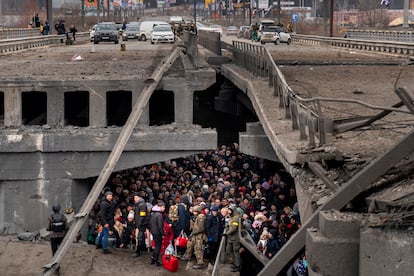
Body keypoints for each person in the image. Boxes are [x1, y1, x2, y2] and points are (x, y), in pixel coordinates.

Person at [184, 205, 206, 269]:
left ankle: (200, 263)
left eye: (195, 212)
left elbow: (201, 228)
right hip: (195, 235)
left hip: (199, 235)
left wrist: (193, 233)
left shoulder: (201, 217)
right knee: (190, 244)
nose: (194, 213)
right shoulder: (196, 217)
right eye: (193, 212)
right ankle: (187, 257)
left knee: (198, 249)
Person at [224, 206, 241, 272]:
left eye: (230, 211)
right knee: (229, 251)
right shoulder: (232, 217)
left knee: (236, 252)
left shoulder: (236, 218)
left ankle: (237, 265)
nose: (229, 212)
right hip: (230, 238)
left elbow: (234, 228)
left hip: (235, 238)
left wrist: (226, 233)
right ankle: (235, 263)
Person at [133, 193, 149, 257]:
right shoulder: (138, 204)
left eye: (136, 198)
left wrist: (139, 223)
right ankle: (142, 249)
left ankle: (138, 251)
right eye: (134, 198)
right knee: (141, 237)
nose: (135, 199)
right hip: (140, 223)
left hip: (142, 224)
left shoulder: (142, 205)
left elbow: (142, 215)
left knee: (139, 237)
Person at [150, 202, 165, 267]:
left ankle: (153, 258)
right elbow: (160, 226)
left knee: (156, 246)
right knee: (158, 247)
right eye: (163, 207)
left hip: (153, 231)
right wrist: (163, 234)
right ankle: (155, 260)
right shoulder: (159, 215)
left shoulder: (153, 213)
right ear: (160, 207)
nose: (164, 208)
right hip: (158, 232)